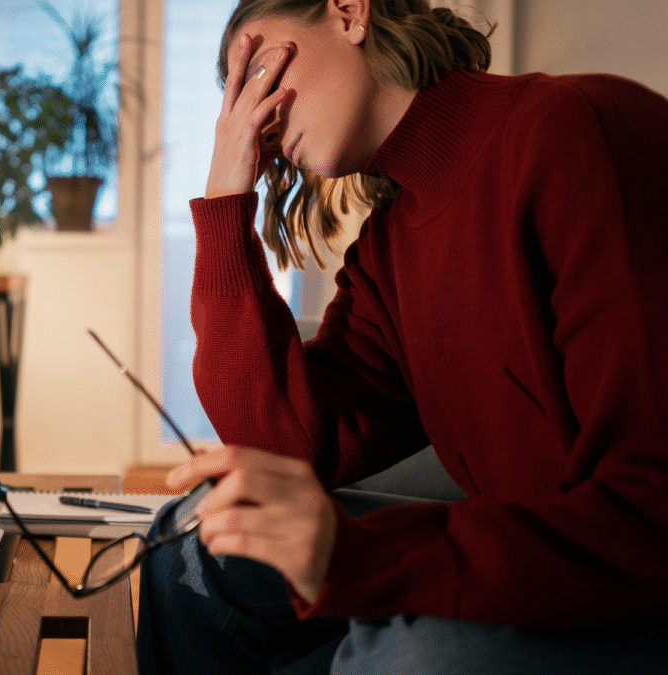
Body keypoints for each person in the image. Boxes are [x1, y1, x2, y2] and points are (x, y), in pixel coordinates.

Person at [136, 0, 668, 673]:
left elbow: (650, 513)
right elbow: (286, 445)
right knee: (194, 540)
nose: (257, 115)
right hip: (539, 566)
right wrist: (224, 198)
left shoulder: (575, 130)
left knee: (407, 658)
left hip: (632, 577)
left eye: (262, 70)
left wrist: (364, 558)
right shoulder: (387, 252)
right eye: (238, 99)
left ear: (350, 12)